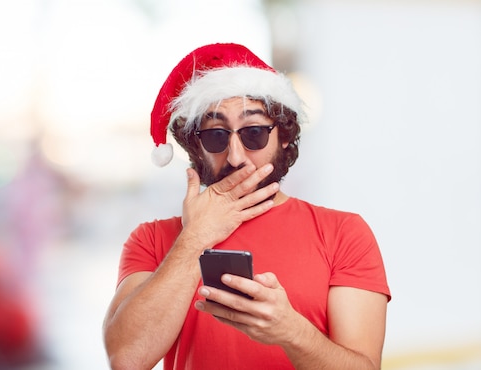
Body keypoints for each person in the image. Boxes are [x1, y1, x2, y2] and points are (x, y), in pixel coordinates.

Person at [103, 43, 391, 370]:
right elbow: (126, 359)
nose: (236, 157)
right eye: (216, 135)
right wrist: (195, 238)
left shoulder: (344, 233)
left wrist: (291, 331)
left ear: (283, 135)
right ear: (196, 145)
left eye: (253, 132)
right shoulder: (152, 239)